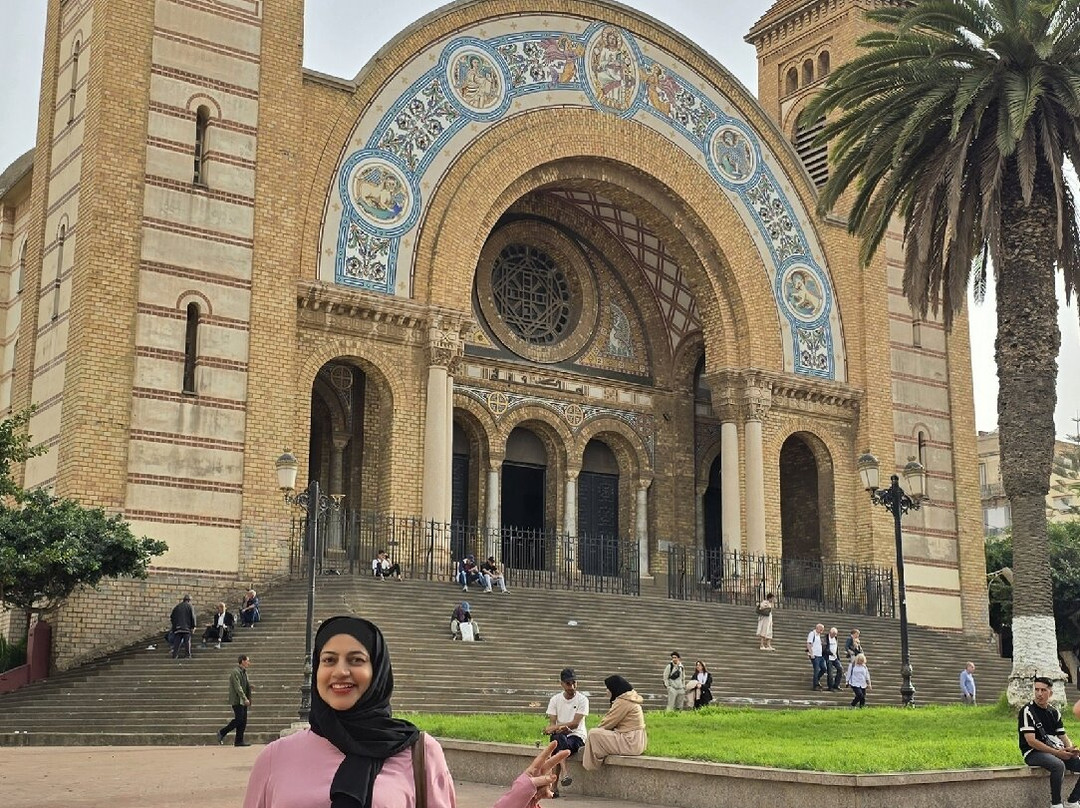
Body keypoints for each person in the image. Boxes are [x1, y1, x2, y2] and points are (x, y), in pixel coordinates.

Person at [242, 615, 568, 808]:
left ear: (378, 672)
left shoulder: (418, 752)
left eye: (356, 660)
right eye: (328, 660)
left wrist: (517, 796)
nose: (340, 671)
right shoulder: (275, 758)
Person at [1019, 676, 1080, 808]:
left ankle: (1073, 801)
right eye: (1037, 690)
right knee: (1058, 765)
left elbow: (1062, 735)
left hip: (1054, 750)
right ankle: (1056, 804)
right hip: (1033, 752)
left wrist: (1070, 749)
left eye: (1043, 690)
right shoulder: (1027, 711)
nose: (1039, 694)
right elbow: (1031, 741)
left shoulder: (1054, 712)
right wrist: (1058, 753)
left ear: (1050, 693)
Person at [582, 675, 647, 770]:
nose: (607, 691)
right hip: (635, 741)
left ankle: (590, 766)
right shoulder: (629, 698)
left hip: (630, 742)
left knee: (593, 734)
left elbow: (607, 723)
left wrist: (592, 739)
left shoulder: (623, 701)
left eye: (608, 688)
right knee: (596, 735)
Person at [543, 667, 589, 796]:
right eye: (568, 683)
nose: (572, 686)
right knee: (559, 738)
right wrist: (557, 728)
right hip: (560, 736)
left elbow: (575, 724)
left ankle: (554, 787)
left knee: (558, 740)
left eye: (574, 682)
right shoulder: (555, 700)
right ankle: (564, 773)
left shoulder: (582, 700)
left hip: (577, 737)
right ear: (562, 684)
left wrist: (557, 727)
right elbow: (551, 724)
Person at [218, 654, 253, 746]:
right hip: (238, 700)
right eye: (247, 661)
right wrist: (245, 698)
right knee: (239, 719)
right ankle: (222, 732)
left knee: (243, 721)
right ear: (242, 661)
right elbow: (238, 687)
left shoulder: (244, 672)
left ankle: (239, 741)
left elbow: (244, 685)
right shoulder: (235, 672)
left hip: (243, 700)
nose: (249, 663)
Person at [169, 594, 196, 659]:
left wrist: (174, 626)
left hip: (178, 628)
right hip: (186, 628)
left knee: (177, 642)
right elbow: (192, 617)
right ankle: (187, 655)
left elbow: (172, 617)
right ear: (189, 600)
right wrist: (193, 626)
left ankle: (175, 655)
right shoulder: (190, 606)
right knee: (187, 642)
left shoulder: (177, 607)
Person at [806, 623, 825, 690]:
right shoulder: (812, 634)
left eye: (822, 630)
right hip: (814, 655)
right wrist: (811, 654)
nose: (821, 631)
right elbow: (808, 644)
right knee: (816, 670)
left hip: (820, 655)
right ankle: (815, 685)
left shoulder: (819, 635)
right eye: (821, 630)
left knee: (824, 668)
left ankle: (817, 680)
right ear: (817, 628)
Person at [825, 627, 843, 691]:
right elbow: (824, 648)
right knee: (830, 673)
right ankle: (830, 686)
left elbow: (836, 648)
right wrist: (830, 653)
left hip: (835, 658)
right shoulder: (826, 638)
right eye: (833, 634)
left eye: (835, 634)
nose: (834, 635)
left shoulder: (835, 638)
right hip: (828, 658)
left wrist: (838, 657)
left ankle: (836, 685)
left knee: (840, 669)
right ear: (830, 632)